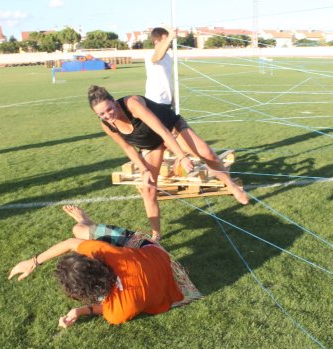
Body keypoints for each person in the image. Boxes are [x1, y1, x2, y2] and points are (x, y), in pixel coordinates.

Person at [88, 85, 249, 241]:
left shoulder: (133, 105)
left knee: (207, 154)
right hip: (151, 145)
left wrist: (181, 156)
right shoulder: (108, 125)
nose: (108, 115)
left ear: (115, 102)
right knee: (148, 189)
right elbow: (128, 148)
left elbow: (162, 131)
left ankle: (230, 185)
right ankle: (156, 234)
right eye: (102, 114)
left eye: (109, 109)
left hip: (171, 128)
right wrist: (144, 170)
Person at [8, 205, 201, 327]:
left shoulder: (119, 312)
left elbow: (103, 308)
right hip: (154, 253)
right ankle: (86, 224)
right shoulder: (105, 253)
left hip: (151, 253)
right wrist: (33, 262)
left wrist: (79, 311)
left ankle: (86, 223)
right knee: (79, 230)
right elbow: (69, 243)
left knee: (79, 229)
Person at [145, 27, 177, 107]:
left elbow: (167, 79)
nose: (168, 43)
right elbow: (157, 57)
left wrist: (172, 98)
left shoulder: (168, 57)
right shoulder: (150, 54)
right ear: (156, 41)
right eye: (165, 40)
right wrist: (169, 38)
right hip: (155, 100)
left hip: (167, 101)